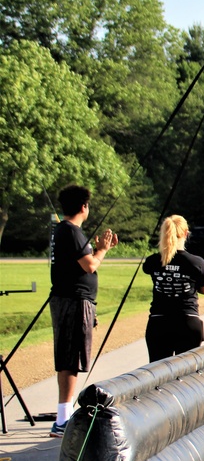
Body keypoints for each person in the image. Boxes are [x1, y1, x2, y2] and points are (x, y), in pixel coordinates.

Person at [48, 185, 118, 438]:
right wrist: (103, 249)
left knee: (70, 356)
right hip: (73, 301)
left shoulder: (64, 231)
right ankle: (62, 419)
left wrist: (97, 247)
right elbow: (89, 265)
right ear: (83, 207)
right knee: (70, 357)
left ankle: (63, 415)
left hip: (70, 300)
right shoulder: (72, 231)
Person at [142, 215, 204, 362]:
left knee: (159, 375)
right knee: (186, 376)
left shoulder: (153, 261)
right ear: (186, 233)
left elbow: (149, 270)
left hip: (159, 323)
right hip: (187, 322)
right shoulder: (196, 262)